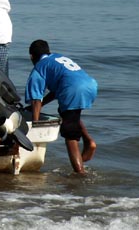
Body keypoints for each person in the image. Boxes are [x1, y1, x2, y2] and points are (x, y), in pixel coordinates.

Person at [25, 39, 98, 174]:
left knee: (70, 135)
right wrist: (40, 106)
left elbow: (36, 100)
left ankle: (79, 174)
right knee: (69, 114)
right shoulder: (57, 58)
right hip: (90, 85)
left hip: (73, 89)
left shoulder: (39, 67)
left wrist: (35, 125)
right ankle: (89, 141)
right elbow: (56, 91)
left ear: (31, 56)